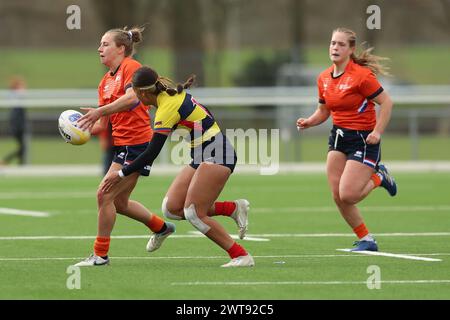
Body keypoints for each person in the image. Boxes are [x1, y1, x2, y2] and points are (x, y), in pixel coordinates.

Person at [100, 66, 254, 267]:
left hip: (217, 153)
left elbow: (151, 154)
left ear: (143, 93)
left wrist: (119, 174)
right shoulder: (167, 95)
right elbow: (202, 116)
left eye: (134, 94)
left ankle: (241, 256)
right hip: (201, 153)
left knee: (193, 213)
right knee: (172, 208)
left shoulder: (166, 107)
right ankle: (233, 208)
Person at [74, 27, 175, 267]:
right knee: (118, 202)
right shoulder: (104, 83)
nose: (100, 48)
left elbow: (132, 99)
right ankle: (161, 228)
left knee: (104, 194)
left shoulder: (132, 67)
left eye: (106, 44)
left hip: (139, 144)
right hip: (123, 146)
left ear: (121, 49)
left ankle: (100, 255)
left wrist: (100, 111)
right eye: (100, 44)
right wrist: (78, 129)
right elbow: (102, 124)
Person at [296, 27, 397, 252]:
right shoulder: (323, 78)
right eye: (333, 43)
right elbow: (323, 111)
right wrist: (309, 121)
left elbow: (387, 103)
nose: (335, 47)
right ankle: (366, 239)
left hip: (364, 139)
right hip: (339, 138)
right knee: (337, 195)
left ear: (351, 50)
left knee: (349, 194)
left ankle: (380, 177)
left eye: (341, 44)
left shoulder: (361, 76)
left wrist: (378, 131)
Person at [2, 76, 29, 166]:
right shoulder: (17, 96)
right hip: (17, 125)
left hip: (18, 124)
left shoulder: (16, 97)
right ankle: (6, 160)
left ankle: (21, 164)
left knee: (23, 147)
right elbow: (23, 92)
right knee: (23, 148)